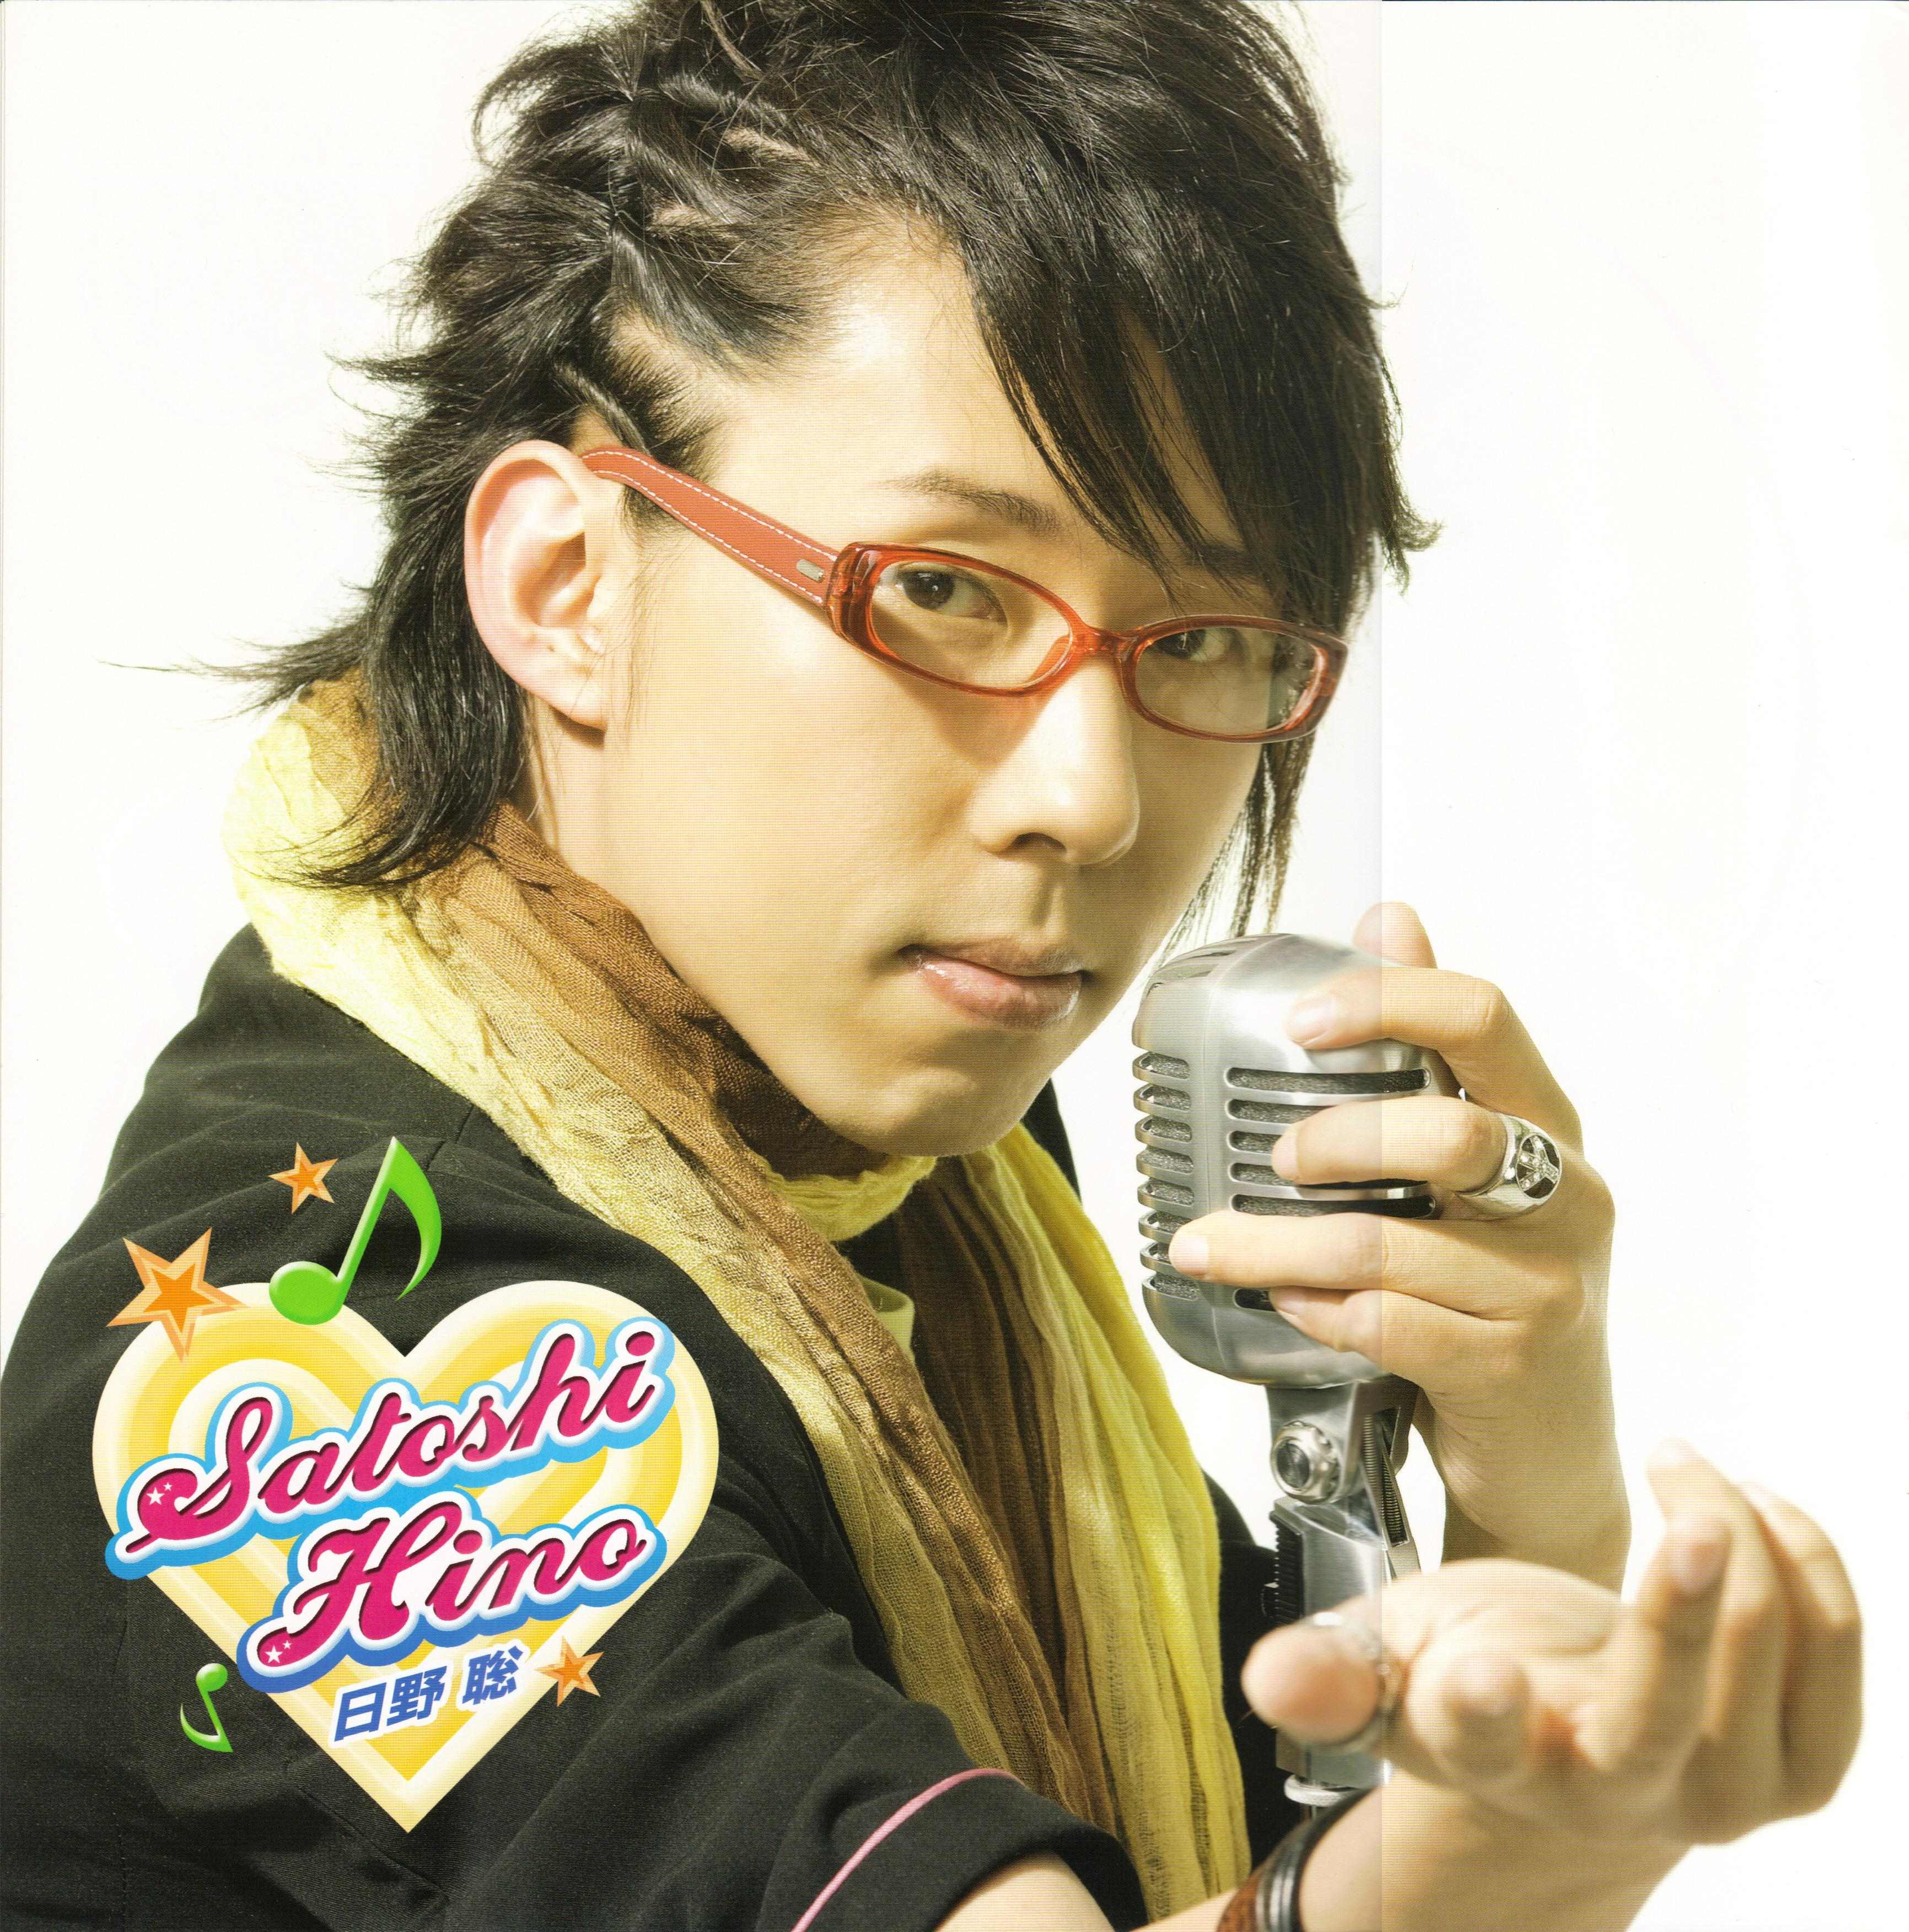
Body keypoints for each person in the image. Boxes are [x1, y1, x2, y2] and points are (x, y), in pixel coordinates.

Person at [0, 3, 1860, 1929]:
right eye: (946, 592)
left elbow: (1240, 1831)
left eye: (1208, 640)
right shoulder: (309, 1340)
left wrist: (1527, 1499)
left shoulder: (879, 1162)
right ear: (565, 586)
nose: (1093, 798)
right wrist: (1449, 1885)